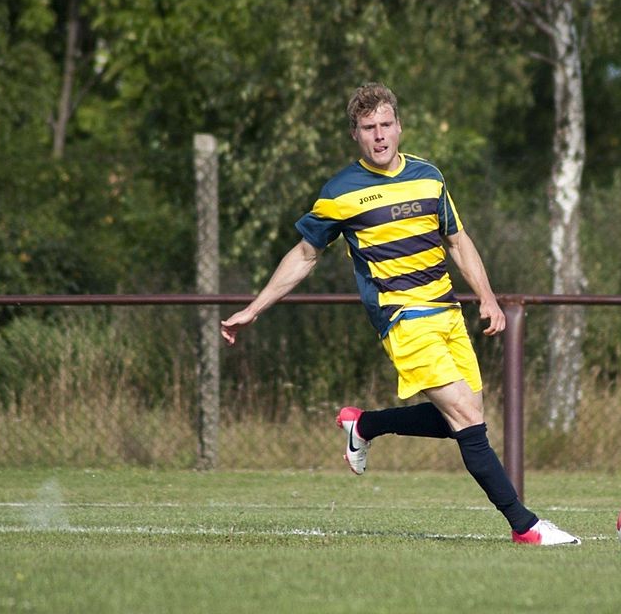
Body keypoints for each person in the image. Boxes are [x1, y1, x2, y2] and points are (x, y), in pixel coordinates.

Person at [220, 82, 580, 546]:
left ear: (400, 126)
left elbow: (457, 240)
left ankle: (364, 424)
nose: (380, 135)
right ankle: (526, 526)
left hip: (447, 311)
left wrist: (487, 297)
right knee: (468, 420)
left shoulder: (430, 177)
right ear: (356, 134)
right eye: (369, 128)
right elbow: (305, 256)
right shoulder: (340, 192)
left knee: (465, 418)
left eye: (386, 124)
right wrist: (253, 308)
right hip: (402, 316)